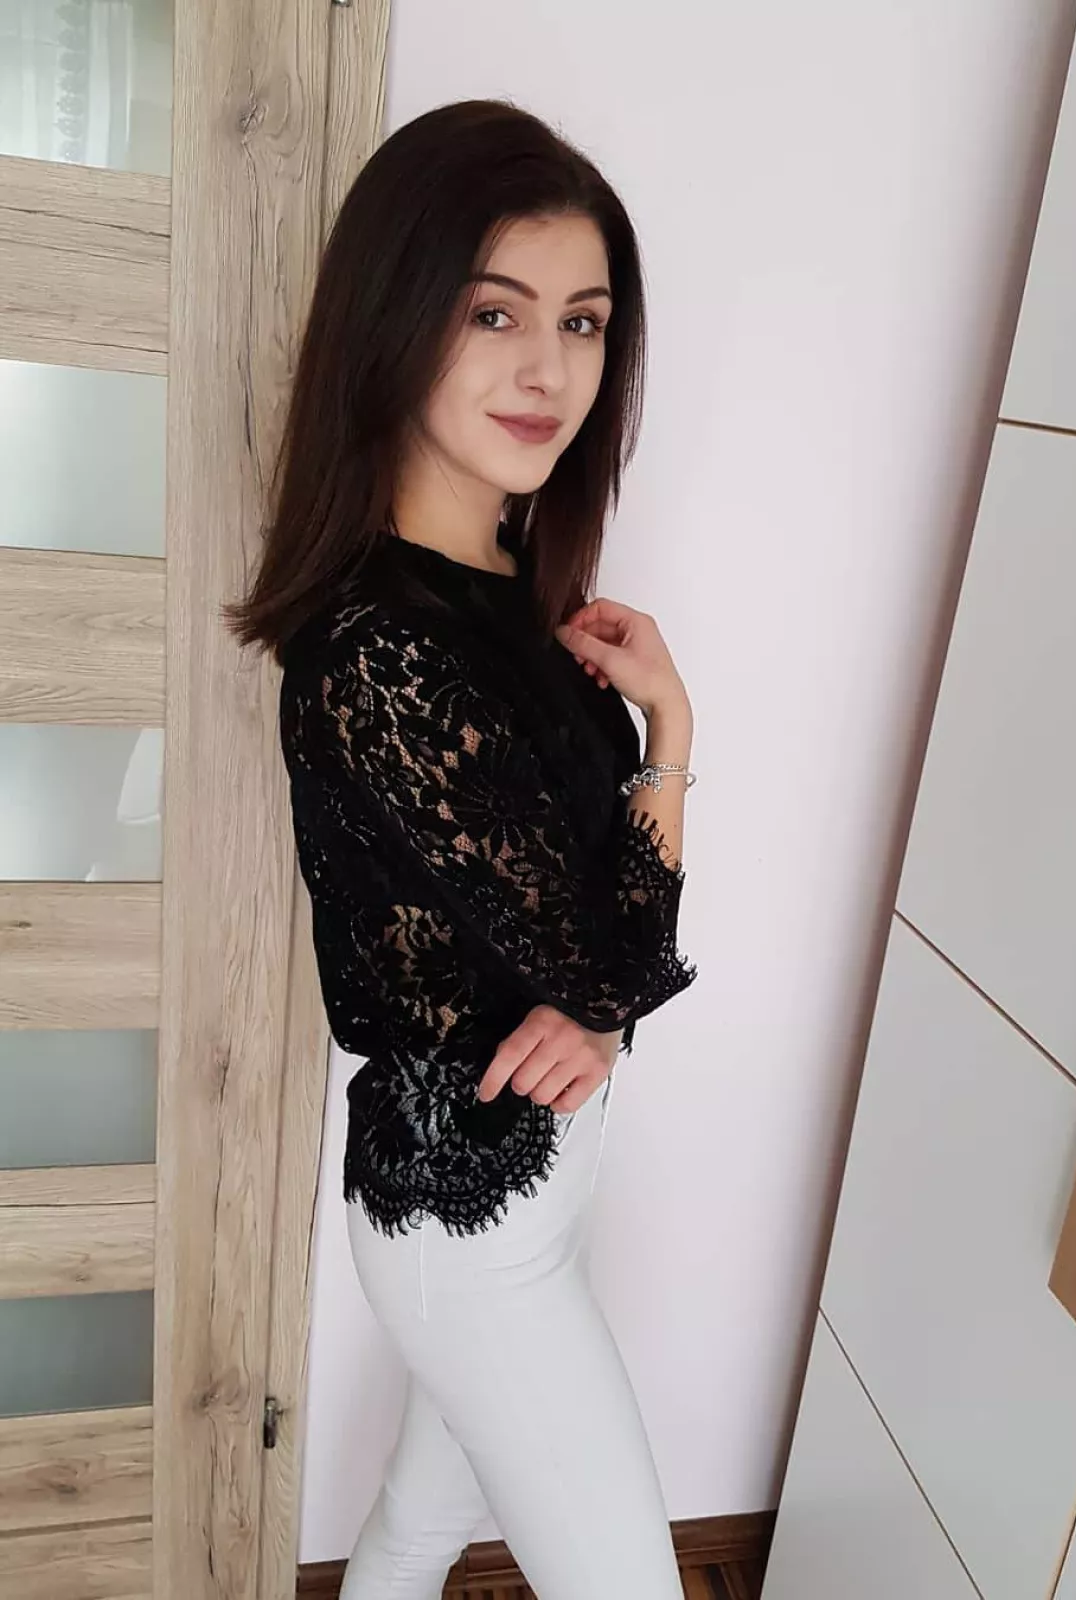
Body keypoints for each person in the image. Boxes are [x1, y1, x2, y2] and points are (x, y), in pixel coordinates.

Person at [227, 99, 699, 1599]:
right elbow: (603, 955)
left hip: (532, 1170)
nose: (548, 368)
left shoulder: (507, 578)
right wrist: (674, 734)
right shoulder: (383, 653)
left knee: (420, 1532)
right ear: (397, 314)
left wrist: (603, 998)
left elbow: (592, 947)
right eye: (495, 312)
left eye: (584, 321)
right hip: (466, 1215)